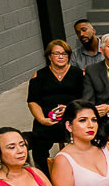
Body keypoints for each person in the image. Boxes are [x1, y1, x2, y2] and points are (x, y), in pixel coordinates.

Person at [27, 39, 84, 172]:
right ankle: (44, 175)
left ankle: (76, 171)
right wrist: (42, 119)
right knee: (38, 141)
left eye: (64, 54)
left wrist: (70, 108)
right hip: (47, 117)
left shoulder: (78, 73)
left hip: (71, 115)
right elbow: (32, 101)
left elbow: (84, 97)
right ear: (49, 56)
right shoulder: (39, 75)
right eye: (57, 53)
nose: (61, 57)